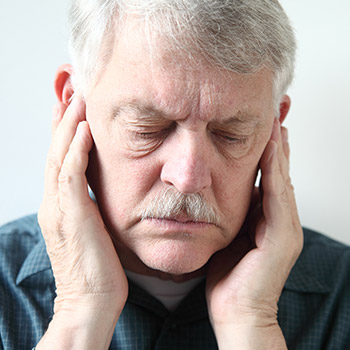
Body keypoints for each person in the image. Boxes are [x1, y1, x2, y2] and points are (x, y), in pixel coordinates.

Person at [1, 0, 349, 349]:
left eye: (231, 134)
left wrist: (253, 324)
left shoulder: (342, 295)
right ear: (73, 106)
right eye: (148, 128)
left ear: (275, 124)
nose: (188, 178)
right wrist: (80, 312)